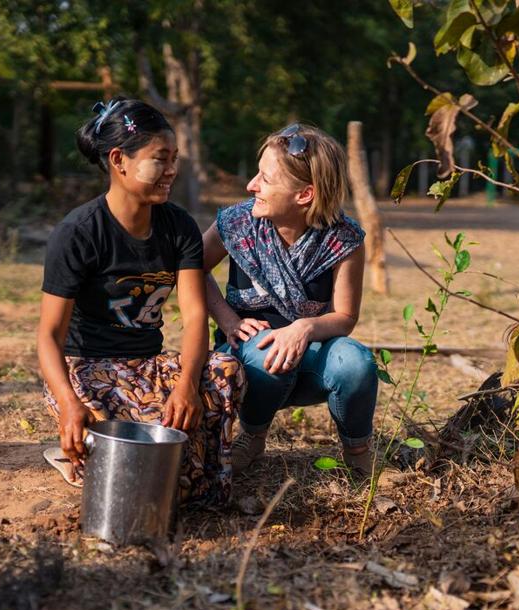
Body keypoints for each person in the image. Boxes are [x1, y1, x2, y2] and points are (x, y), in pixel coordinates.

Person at [37, 97, 244, 504]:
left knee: (225, 370)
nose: (172, 170)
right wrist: (68, 402)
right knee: (149, 469)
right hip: (89, 372)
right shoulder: (78, 233)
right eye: (160, 159)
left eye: (174, 159)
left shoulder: (179, 227)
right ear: (119, 160)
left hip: (148, 366)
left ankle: (170, 457)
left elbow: (195, 316)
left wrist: (186, 385)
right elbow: (49, 335)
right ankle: (78, 454)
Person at [202, 123, 378, 476]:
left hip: (313, 358)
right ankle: (253, 436)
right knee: (268, 354)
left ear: (305, 194)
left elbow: (345, 317)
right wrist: (228, 320)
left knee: (356, 362)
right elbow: (193, 269)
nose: (252, 185)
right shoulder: (237, 223)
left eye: (265, 179)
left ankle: (358, 451)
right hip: (250, 361)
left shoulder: (343, 240)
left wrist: (303, 328)